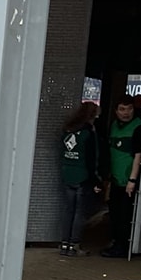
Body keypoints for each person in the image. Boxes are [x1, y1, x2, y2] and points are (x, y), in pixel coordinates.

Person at [101, 94, 141, 258]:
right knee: (114, 213)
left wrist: (132, 180)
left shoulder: (139, 127)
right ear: (116, 111)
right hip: (115, 178)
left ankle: (122, 247)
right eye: (122, 109)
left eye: (129, 109)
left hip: (128, 180)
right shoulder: (113, 125)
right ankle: (115, 242)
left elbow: (138, 156)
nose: (126, 113)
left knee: (125, 215)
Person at [59, 101, 101, 256]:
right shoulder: (88, 133)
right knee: (79, 212)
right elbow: (91, 159)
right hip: (82, 176)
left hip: (67, 174)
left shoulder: (67, 130)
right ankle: (74, 244)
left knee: (69, 209)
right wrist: (96, 179)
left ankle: (64, 244)